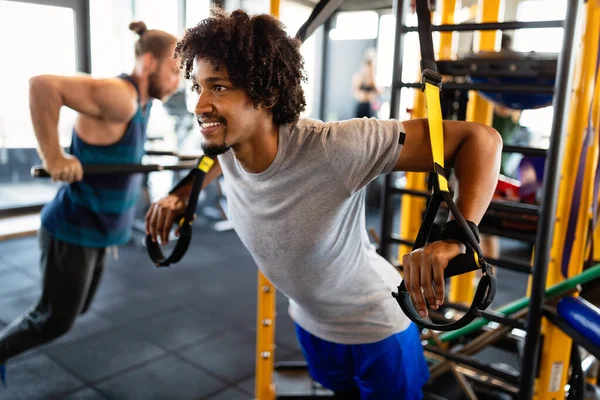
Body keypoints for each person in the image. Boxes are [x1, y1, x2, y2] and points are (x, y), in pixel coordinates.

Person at [146, 8, 502, 399]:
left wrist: (454, 238)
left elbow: (481, 141)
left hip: (376, 326)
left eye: (219, 87)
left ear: (266, 95)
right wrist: (181, 195)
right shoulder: (229, 142)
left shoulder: (334, 148)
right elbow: (213, 156)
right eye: (197, 87)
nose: (199, 105)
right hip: (310, 322)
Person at [0, 21, 180, 384]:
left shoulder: (142, 104)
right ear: (148, 63)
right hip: (72, 228)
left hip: (96, 231)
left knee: (73, 310)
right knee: (53, 319)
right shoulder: (121, 96)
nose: (178, 82)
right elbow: (43, 85)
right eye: (174, 71)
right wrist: (53, 157)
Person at [352, 48, 381, 119]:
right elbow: (357, 94)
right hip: (361, 107)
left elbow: (379, 92)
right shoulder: (359, 77)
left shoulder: (373, 79)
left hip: (370, 109)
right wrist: (367, 96)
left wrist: (372, 80)